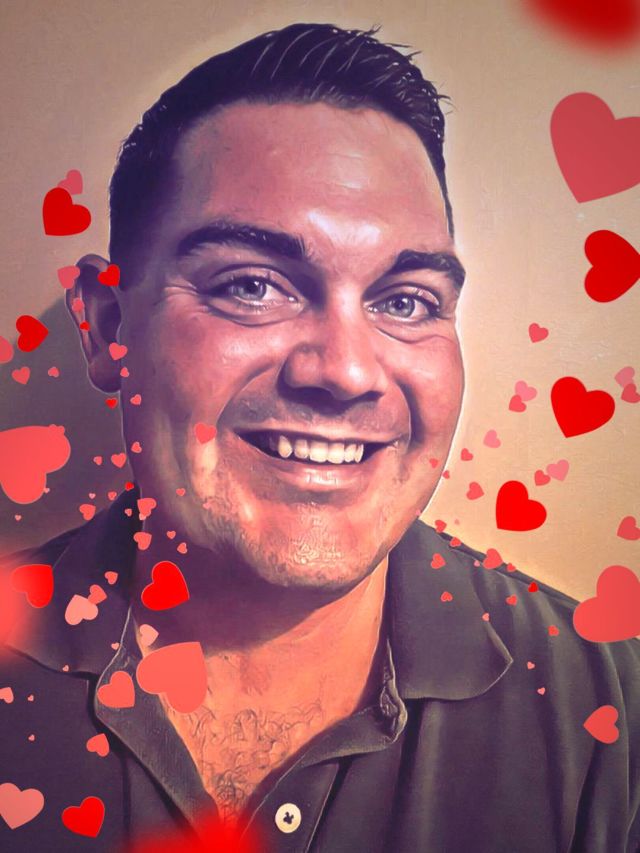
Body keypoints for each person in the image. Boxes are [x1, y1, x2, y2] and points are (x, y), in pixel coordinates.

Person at [0, 22, 638, 853]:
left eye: (405, 301)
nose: (346, 371)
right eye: (252, 285)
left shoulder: (613, 719)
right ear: (108, 327)